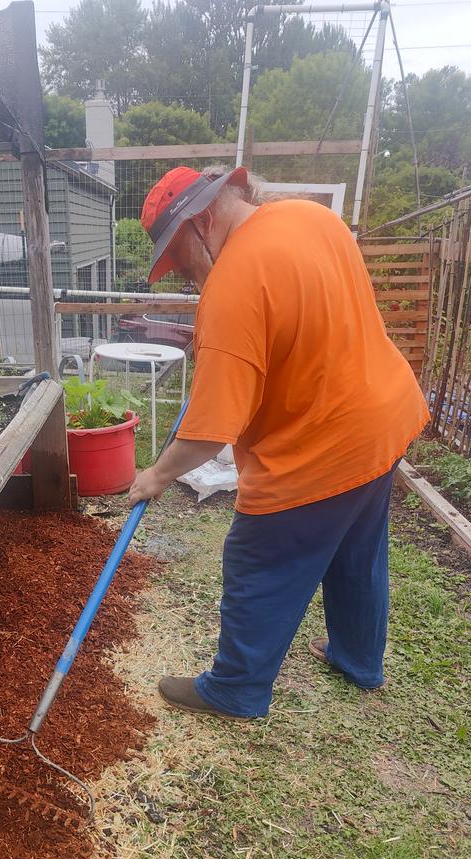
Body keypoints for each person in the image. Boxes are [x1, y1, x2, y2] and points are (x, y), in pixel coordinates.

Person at [128, 165, 430, 720]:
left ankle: (236, 689)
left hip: (321, 446)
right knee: (356, 550)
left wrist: (157, 475)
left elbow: (208, 431)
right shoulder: (310, 217)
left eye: (180, 258)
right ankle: (358, 659)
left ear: (202, 220)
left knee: (257, 559)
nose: (184, 276)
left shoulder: (232, 286)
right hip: (383, 419)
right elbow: (305, 320)